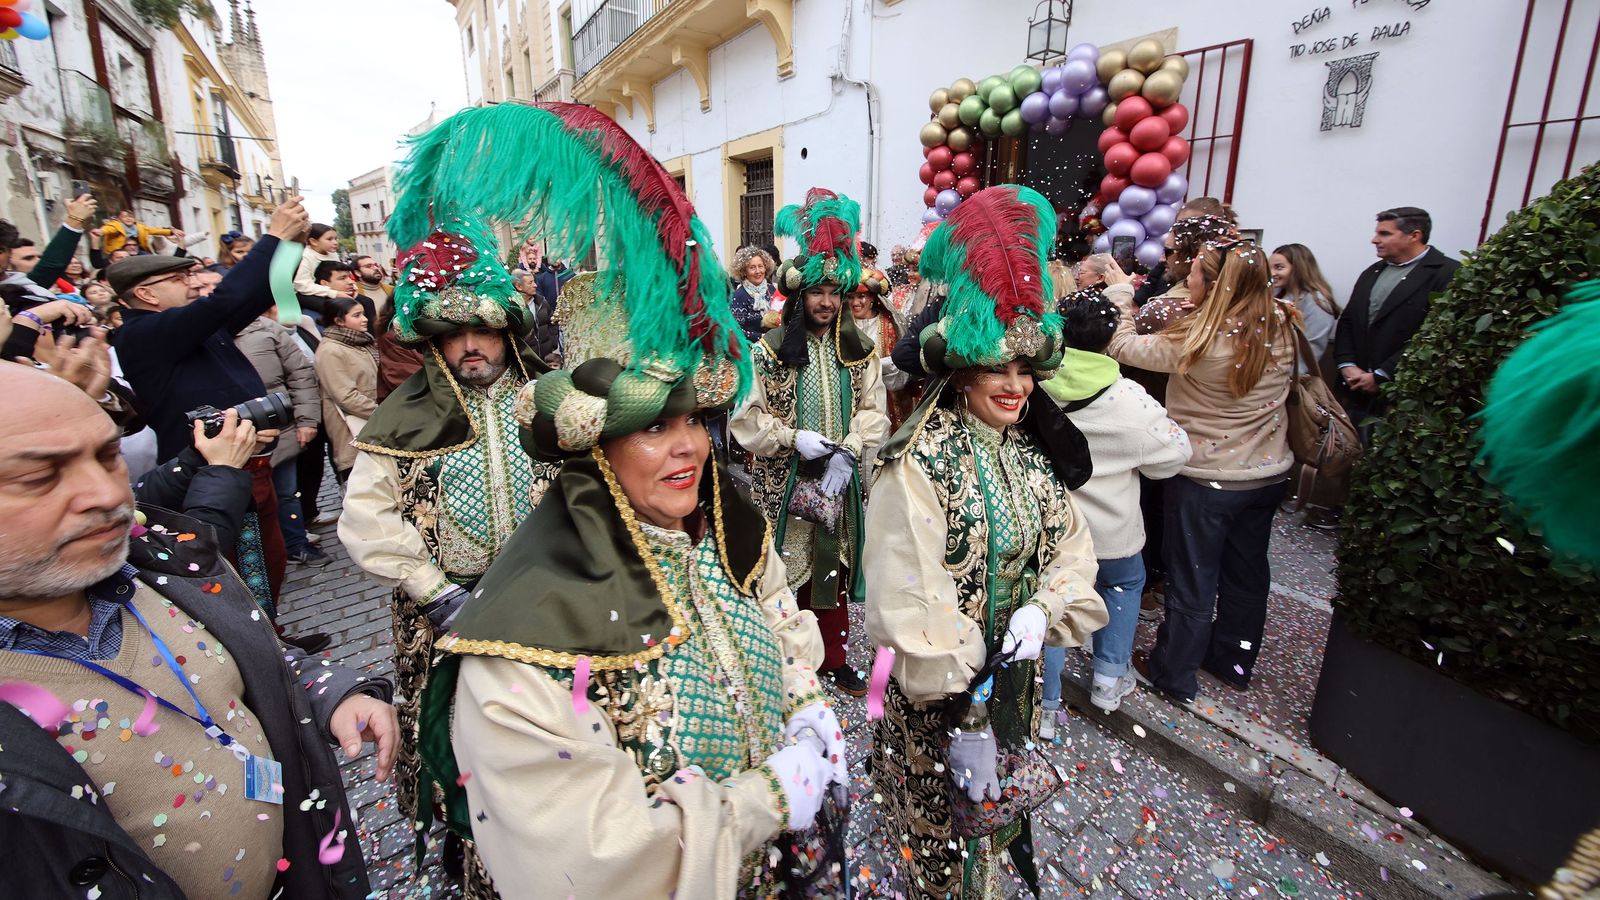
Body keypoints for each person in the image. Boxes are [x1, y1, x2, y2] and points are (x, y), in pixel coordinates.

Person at [399, 101, 839, 898]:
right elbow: (590, 861)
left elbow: (778, 620)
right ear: (594, 447)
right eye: (654, 427)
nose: (689, 447)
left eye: (695, 421)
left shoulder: (726, 534)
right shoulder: (524, 642)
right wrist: (763, 801)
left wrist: (806, 707)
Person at [0, 362, 398, 900]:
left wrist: (330, 695)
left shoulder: (169, 568)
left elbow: (253, 657)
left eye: (108, 456)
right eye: (38, 477)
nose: (105, 494)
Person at [865, 185, 1106, 900]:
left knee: (992, 821)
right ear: (962, 373)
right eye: (997, 368)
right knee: (942, 832)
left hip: (1013, 684)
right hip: (942, 691)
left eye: (1025, 369)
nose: (1014, 385)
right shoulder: (917, 460)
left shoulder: (1032, 454)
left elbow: (1070, 545)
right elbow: (909, 587)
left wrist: (1046, 610)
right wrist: (971, 671)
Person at [336, 222, 560, 891]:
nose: (469, 347)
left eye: (482, 332)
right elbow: (366, 519)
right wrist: (434, 589)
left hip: (546, 605)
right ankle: (469, 852)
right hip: (446, 613)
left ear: (507, 332)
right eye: (453, 335)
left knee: (548, 737)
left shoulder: (547, 399)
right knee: (459, 741)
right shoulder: (404, 414)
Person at [1106, 240, 1295, 703]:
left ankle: (1174, 670)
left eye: (1193, 274)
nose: (1185, 279)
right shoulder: (1284, 323)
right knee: (1247, 573)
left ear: (1214, 284)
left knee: (1194, 575)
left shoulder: (1201, 338)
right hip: (1268, 473)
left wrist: (1120, 295)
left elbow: (1123, 345)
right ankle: (1232, 660)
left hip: (1208, 478)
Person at [109, 199, 312, 628]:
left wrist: (291, 246)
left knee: (267, 558)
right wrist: (272, 236)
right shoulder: (142, 334)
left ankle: (274, 639)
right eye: (180, 277)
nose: (193, 282)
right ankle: (255, 646)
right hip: (202, 474)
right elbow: (223, 302)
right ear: (145, 293)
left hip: (249, 462)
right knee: (233, 565)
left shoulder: (188, 327)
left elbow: (256, 292)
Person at [729, 187, 889, 697]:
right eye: (816, 293)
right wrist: (792, 438)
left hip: (838, 482)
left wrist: (848, 446)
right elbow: (745, 418)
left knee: (834, 567)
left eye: (833, 293)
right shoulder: (769, 351)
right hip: (783, 483)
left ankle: (836, 657)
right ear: (799, 297)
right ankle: (794, 665)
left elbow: (874, 411)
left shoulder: (860, 349)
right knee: (786, 571)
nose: (825, 302)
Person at [1038, 295, 1191, 724]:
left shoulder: (1034, 383)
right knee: (1122, 586)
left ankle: (1046, 706)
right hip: (1114, 532)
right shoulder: (1129, 399)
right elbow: (1173, 456)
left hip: (1057, 528)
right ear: (1110, 339)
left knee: (1055, 602)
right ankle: (1108, 678)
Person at [1333, 206, 1461, 434]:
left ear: (1414, 235)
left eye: (1385, 234)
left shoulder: (1447, 273)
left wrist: (1382, 375)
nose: (1374, 240)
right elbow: (1349, 321)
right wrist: (1347, 364)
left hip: (1402, 398)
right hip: (1354, 390)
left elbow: (1436, 334)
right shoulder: (1373, 271)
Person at [235, 303, 328, 566]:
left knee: (287, 491)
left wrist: (307, 420)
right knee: (245, 499)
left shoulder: (267, 329)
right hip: (233, 436)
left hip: (277, 426)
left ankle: (295, 543)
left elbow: (300, 374)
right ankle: (257, 555)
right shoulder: (202, 336)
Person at [313, 297, 378, 483]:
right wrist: (382, 413)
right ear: (339, 321)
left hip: (372, 424)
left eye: (363, 314)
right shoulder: (330, 351)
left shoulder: (361, 343)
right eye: (357, 315)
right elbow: (346, 396)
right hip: (353, 430)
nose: (365, 319)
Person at [847, 265, 914, 436]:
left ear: (872, 298)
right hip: (850, 402)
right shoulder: (841, 326)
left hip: (885, 402)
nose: (855, 303)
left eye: (861, 296)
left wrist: (872, 366)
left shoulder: (890, 325)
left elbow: (901, 367)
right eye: (850, 297)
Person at [1270, 243, 1341, 364]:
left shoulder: (1317, 302)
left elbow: (1311, 349)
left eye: (1279, 267)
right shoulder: (1276, 295)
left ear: (1298, 268)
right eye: (1269, 268)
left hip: (1287, 375)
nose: (1271, 273)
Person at [729, 244, 778, 343]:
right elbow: (736, 331)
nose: (758, 271)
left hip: (775, 347)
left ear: (766, 268)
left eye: (760, 266)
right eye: (752, 267)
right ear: (744, 271)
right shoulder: (740, 295)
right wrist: (763, 337)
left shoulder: (771, 289)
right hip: (751, 350)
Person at [292, 224, 344, 303]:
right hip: (306, 294)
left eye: (336, 239)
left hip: (331, 291)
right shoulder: (305, 256)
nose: (335, 242)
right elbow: (302, 285)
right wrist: (333, 293)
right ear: (313, 241)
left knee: (365, 301)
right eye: (329, 239)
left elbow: (342, 275)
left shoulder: (333, 254)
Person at [99, 206, 180, 255]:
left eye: (130, 217)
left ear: (134, 219)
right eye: (124, 217)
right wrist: (101, 231)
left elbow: (155, 230)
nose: (128, 218)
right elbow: (108, 229)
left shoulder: (140, 227)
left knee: (149, 258)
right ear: (119, 219)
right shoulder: (116, 225)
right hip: (119, 250)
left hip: (137, 249)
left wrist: (171, 231)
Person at [353, 254, 392, 325]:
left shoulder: (391, 290)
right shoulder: (353, 294)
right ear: (358, 273)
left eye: (376, 265)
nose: (376, 268)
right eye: (368, 266)